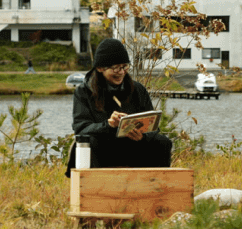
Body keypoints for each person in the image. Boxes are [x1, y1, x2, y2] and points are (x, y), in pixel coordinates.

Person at [67, 37, 173, 175]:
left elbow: (153, 127)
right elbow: (80, 128)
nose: (121, 72)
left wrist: (142, 137)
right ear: (100, 68)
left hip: (133, 145)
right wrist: (108, 125)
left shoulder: (138, 89)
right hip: (103, 145)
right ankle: (93, 189)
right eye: (115, 68)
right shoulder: (83, 92)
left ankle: (157, 187)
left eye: (124, 67)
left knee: (162, 142)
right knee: (89, 142)